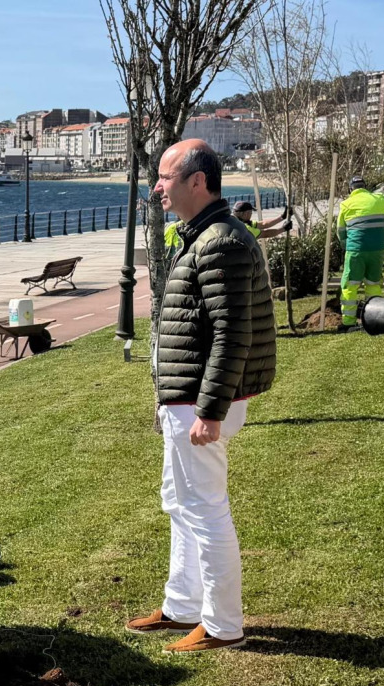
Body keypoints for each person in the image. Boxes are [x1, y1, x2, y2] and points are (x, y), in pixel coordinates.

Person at [126, 140, 276, 654]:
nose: (157, 188)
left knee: (206, 509)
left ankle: (222, 625)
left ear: (197, 181)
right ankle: (183, 605)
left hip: (201, 402)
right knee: (180, 502)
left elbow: (233, 334)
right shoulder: (201, 236)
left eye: (164, 178)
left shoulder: (220, 242)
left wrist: (210, 411)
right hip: (186, 399)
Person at [336, 176, 384, 331]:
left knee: (350, 285)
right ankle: (374, 318)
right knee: (373, 283)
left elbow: (340, 230)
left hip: (356, 249)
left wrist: (345, 243)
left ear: (351, 189)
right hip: (377, 249)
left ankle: (348, 322)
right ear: (365, 186)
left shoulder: (346, 204)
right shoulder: (379, 198)